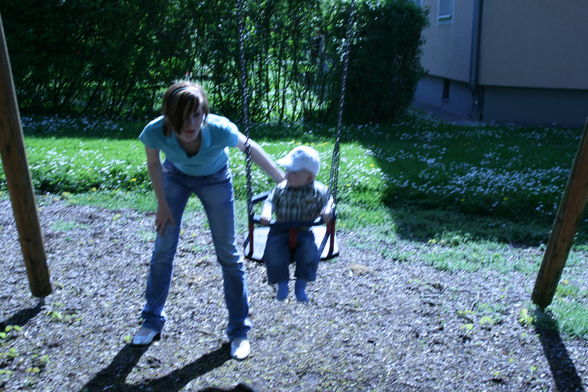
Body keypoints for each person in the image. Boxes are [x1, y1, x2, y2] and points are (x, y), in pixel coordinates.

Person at [132, 81, 284, 360]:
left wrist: (283, 181)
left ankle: (239, 330)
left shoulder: (219, 129)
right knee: (163, 249)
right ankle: (151, 321)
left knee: (228, 253)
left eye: (197, 114)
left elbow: (250, 148)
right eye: (183, 116)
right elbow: (154, 164)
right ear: (169, 116)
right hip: (175, 178)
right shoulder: (155, 131)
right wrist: (162, 205)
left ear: (204, 112)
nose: (191, 123)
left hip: (216, 179)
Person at [260, 146, 334, 302]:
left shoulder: (318, 191)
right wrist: (267, 212)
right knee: (273, 251)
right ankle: (282, 284)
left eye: (293, 172)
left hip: (304, 230)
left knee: (309, 253)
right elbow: (270, 201)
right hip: (280, 228)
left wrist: (327, 210)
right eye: (286, 170)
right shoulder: (281, 188)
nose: (287, 175)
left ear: (309, 177)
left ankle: (301, 286)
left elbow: (330, 201)